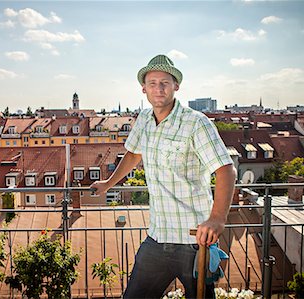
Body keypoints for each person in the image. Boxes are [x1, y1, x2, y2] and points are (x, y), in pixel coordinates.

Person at [90, 54, 236, 298]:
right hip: (157, 238)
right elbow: (133, 155)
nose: (159, 88)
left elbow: (225, 170)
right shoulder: (144, 120)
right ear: (144, 88)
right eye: (153, 83)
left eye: (165, 82)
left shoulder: (195, 123)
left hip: (195, 240)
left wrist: (217, 219)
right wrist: (108, 183)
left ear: (176, 86)